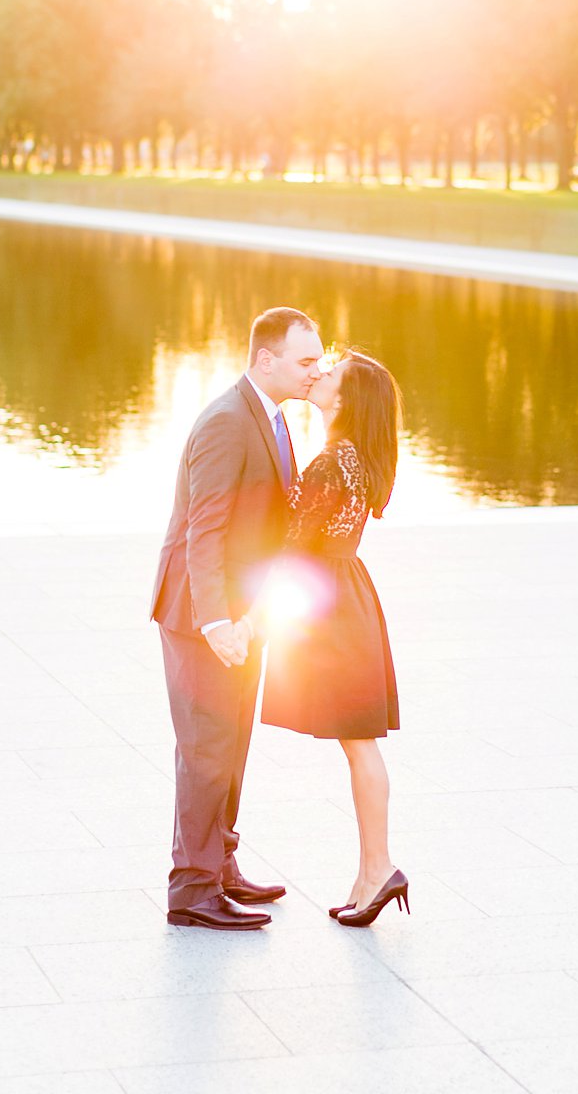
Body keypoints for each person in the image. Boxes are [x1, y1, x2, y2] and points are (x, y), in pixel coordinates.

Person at [149, 305, 322, 931]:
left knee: (231, 744)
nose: (315, 371)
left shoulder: (272, 418)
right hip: (203, 617)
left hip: (241, 617)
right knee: (205, 749)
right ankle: (191, 891)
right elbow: (206, 528)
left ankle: (219, 863)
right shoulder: (226, 421)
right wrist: (217, 621)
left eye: (318, 360)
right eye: (306, 361)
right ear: (264, 359)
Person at [258, 347, 408, 926]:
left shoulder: (331, 463)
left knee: (359, 741)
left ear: (347, 400)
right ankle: (373, 871)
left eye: (331, 374)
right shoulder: (357, 459)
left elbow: (295, 547)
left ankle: (379, 868)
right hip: (351, 597)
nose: (319, 373)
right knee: (358, 742)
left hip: (335, 607)